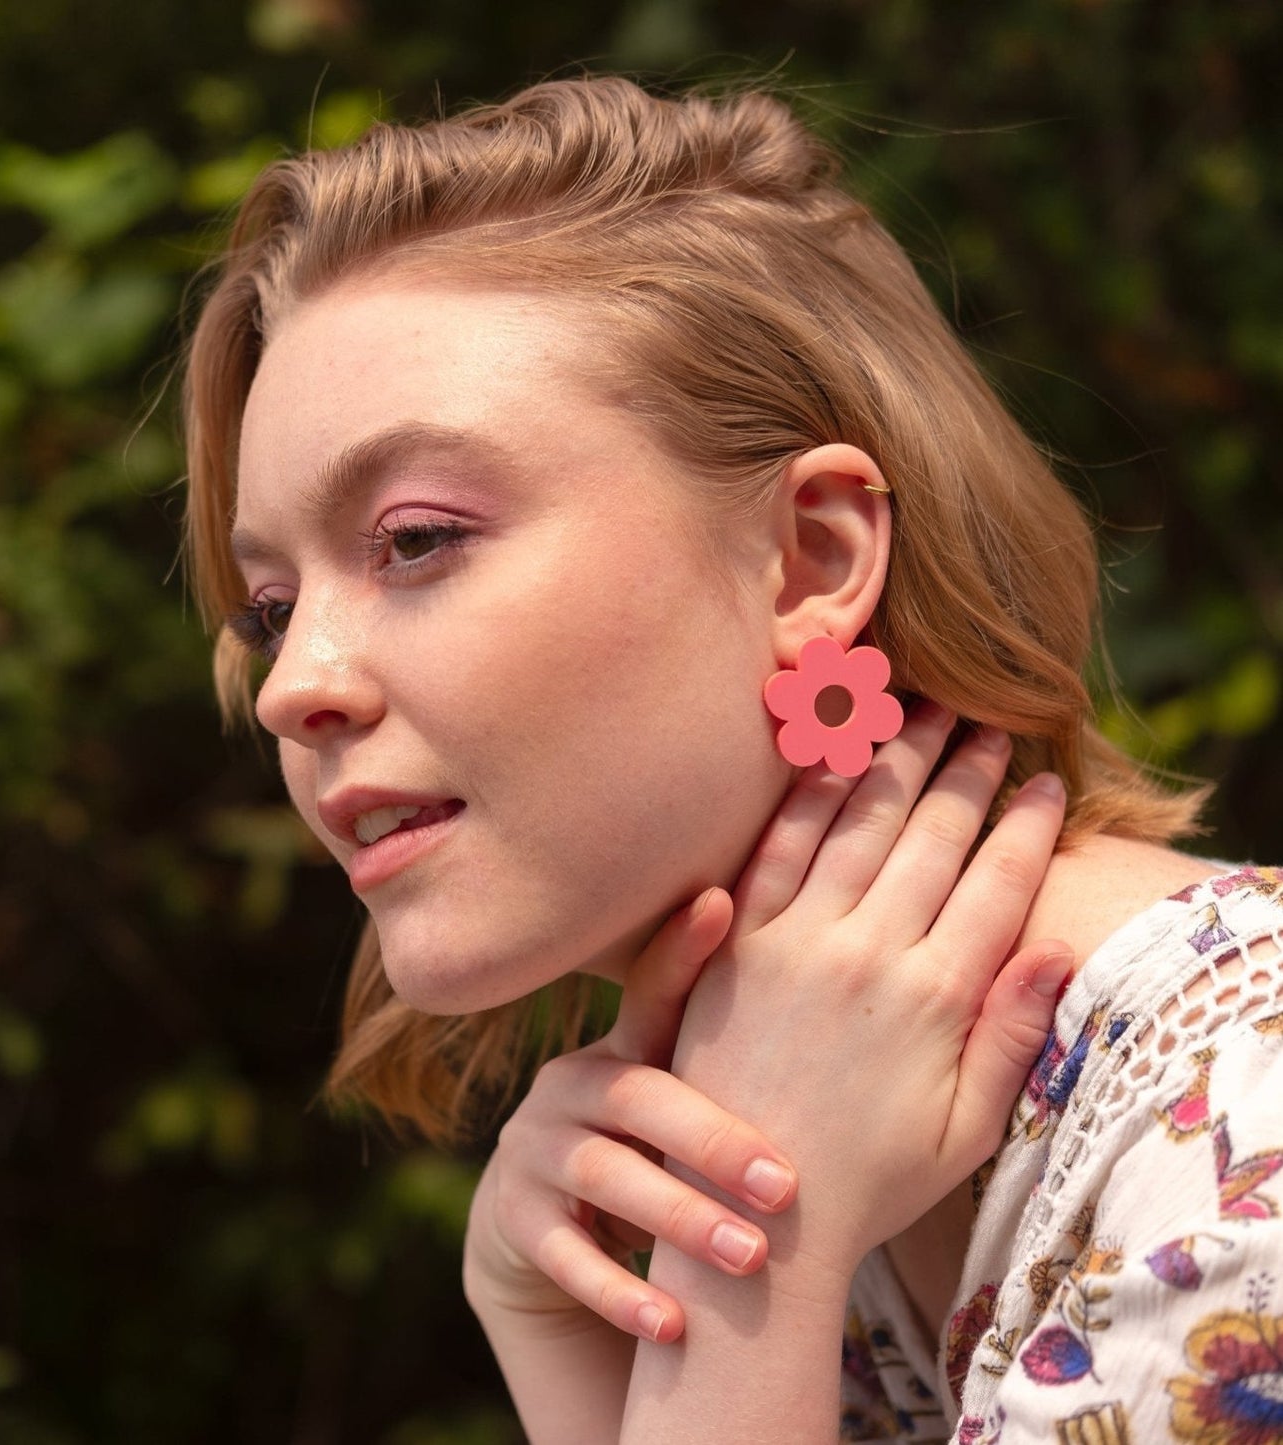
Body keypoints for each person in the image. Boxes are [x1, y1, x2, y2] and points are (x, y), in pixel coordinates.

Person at [181, 76, 1283, 1443]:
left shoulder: (1245, 1159)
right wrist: (565, 1343)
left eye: (413, 539)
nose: (292, 688)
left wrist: (756, 1246)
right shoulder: (834, 1147)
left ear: (812, 557)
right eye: (269, 611)